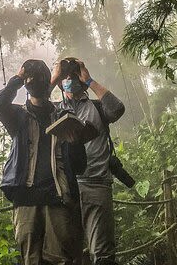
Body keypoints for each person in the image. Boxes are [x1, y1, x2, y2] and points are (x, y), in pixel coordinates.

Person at [0, 59, 86, 265]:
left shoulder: (63, 116)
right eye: (32, 79)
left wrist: (75, 143)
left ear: (47, 83)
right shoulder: (17, 116)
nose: (36, 82)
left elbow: (79, 166)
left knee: (63, 259)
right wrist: (17, 78)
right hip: (25, 198)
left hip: (58, 196)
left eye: (40, 78)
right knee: (30, 259)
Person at [51, 58, 125, 265]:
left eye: (73, 75)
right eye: (64, 76)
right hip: (65, 188)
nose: (69, 79)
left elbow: (117, 109)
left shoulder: (97, 107)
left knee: (102, 254)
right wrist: (54, 77)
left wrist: (89, 79)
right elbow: (34, 109)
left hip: (96, 183)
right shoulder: (53, 110)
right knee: (67, 256)